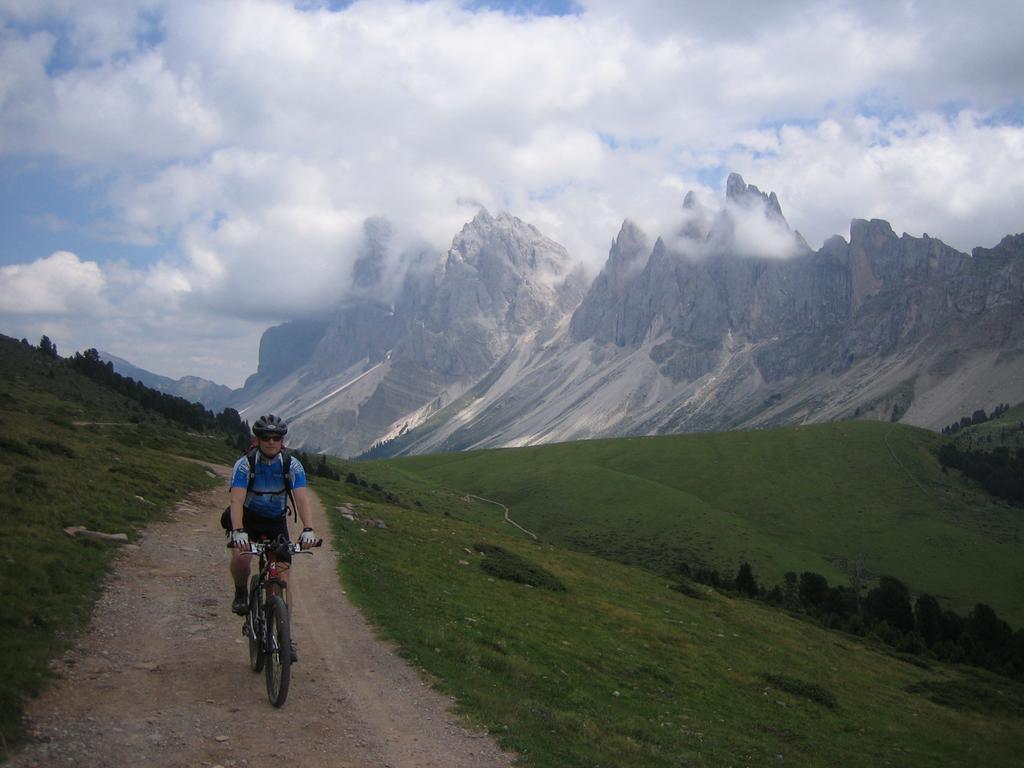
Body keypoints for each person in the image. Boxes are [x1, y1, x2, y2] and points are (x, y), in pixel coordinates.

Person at [227, 414, 316, 659]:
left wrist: (308, 528)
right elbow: (236, 499)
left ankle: (284, 638)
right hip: (249, 519)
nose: (271, 442)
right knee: (243, 557)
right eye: (265, 437)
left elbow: (301, 498)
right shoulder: (245, 464)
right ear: (258, 439)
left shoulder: (292, 465)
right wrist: (238, 532)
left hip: (277, 522)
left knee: (281, 579)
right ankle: (241, 590)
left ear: (282, 441)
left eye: (276, 437)